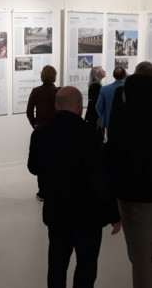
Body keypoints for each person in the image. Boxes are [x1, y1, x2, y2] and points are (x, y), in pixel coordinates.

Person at [27, 86, 121, 288]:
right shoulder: (90, 134)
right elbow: (101, 178)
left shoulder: (40, 134)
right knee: (86, 265)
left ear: (56, 106)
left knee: (57, 264)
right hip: (87, 213)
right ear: (79, 105)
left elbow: (33, 167)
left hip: (57, 211)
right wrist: (114, 214)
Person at [107, 61, 152, 288]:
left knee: (142, 258)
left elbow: (115, 154)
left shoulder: (123, 113)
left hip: (134, 194)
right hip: (137, 190)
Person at [26, 65, 59, 201]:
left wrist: (35, 125)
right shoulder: (58, 91)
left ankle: (42, 191)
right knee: (56, 159)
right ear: (54, 76)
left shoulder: (36, 91)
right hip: (56, 129)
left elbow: (29, 111)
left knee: (42, 159)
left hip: (41, 129)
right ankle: (55, 188)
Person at [95, 66, 127, 136]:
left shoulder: (104, 89)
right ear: (125, 75)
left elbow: (98, 106)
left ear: (113, 76)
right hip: (127, 121)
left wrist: (103, 117)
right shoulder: (129, 88)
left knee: (111, 142)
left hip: (110, 121)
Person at [84, 66, 106, 141]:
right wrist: (99, 117)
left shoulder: (94, 86)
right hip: (95, 118)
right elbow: (96, 104)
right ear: (98, 74)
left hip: (93, 116)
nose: (104, 71)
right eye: (102, 71)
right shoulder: (96, 86)